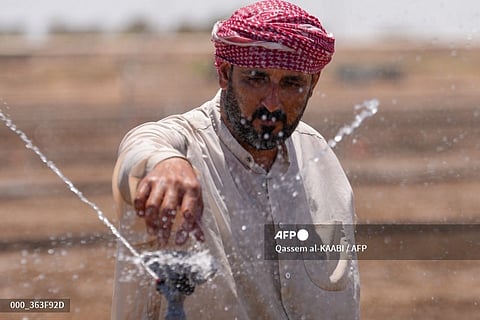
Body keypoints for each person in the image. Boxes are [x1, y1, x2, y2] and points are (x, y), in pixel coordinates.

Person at [111, 0, 360, 319]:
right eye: (256, 79)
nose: (272, 103)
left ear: (312, 85)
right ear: (225, 73)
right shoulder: (185, 146)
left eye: (291, 84)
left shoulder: (321, 161)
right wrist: (165, 164)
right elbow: (140, 147)